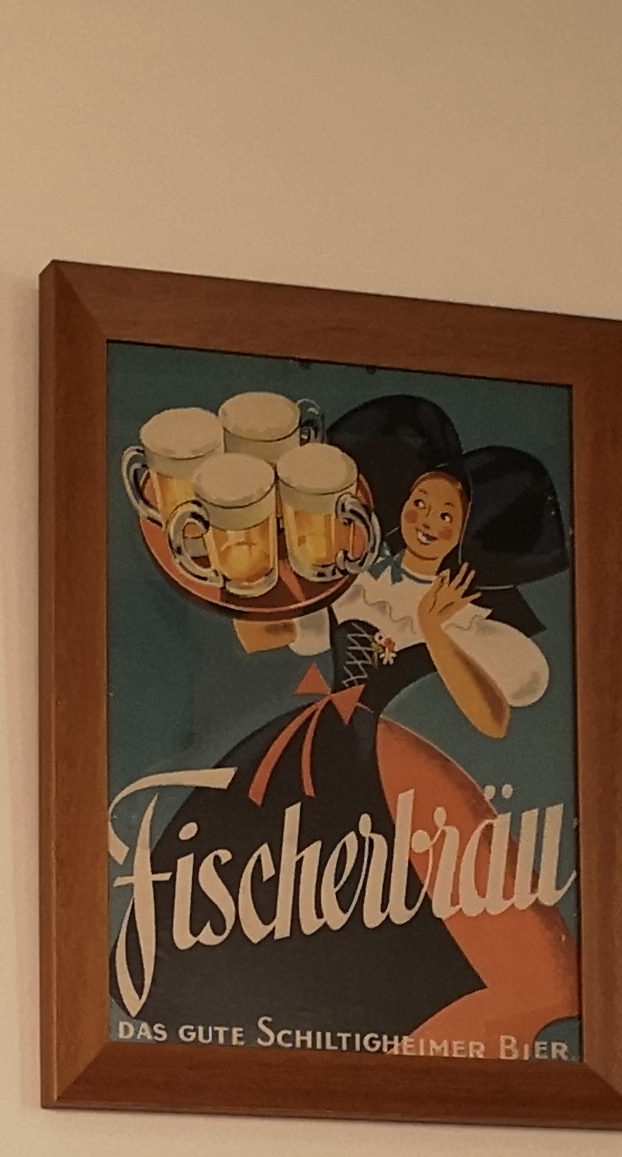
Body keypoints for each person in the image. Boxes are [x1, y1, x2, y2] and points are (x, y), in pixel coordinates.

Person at [122, 396, 578, 1053]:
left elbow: (495, 717)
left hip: (402, 771)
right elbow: (267, 636)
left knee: (406, 923)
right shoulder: (356, 578)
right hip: (314, 749)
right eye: (419, 502)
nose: (426, 520)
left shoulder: (472, 616)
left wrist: (435, 630)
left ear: (468, 532)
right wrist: (242, 560)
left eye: (446, 514)